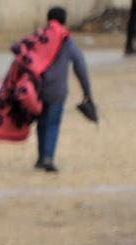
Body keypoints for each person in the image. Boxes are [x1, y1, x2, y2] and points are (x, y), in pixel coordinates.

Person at [35, 6, 92, 173]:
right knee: (53, 124)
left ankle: (40, 157)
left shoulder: (40, 36)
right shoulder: (66, 40)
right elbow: (80, 65)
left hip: (38, 89)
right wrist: (87, 91)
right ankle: (48, 158)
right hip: (58, 90)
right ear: (64, 21)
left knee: (42, 123)